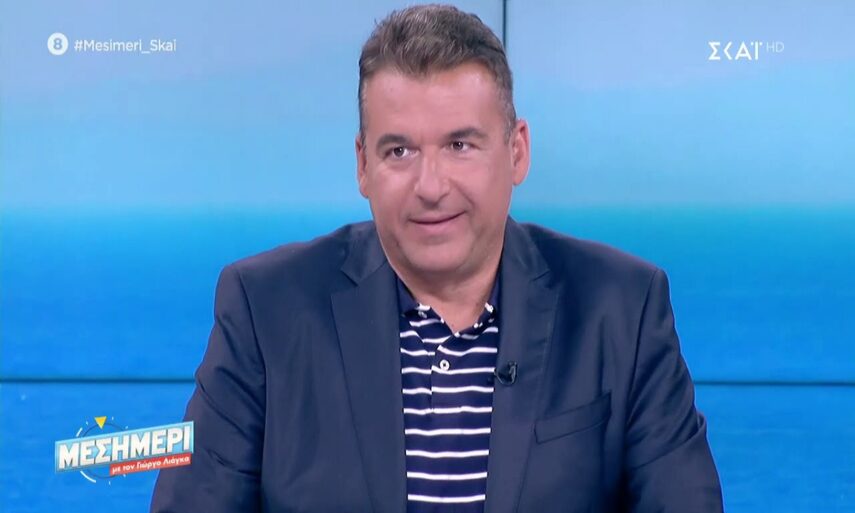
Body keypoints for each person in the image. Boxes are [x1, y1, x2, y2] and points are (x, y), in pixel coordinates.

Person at [150, 4, 723, 512]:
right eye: (399, 150)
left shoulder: (622, 308)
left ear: (517, 151)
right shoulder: (264, 310)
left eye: (459, 145)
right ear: (363, 165)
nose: (430, 186)